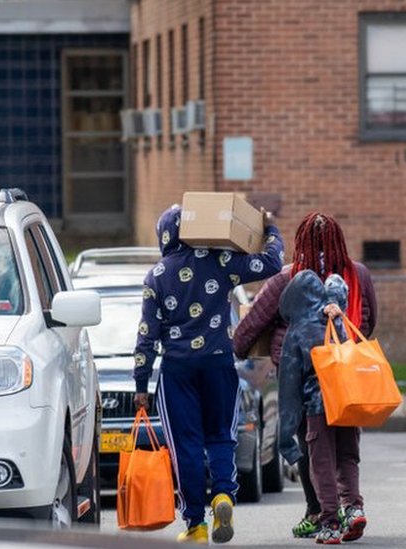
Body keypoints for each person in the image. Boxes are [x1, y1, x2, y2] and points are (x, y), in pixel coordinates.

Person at [133, 204, 284, 544]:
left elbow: (146, 336)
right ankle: (223, 496)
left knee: (185, 444)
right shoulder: (221, 261)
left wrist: (141, 383)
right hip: (218, 363)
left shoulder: (156, 276)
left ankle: (195, 524)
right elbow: (271, 264)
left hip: (177, 370)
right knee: (220, 435)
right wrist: (270, 230)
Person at [233, 212, 377, 540]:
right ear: (340, 240)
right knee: (346, 446)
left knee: (313, 447)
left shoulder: (289, 279)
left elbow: (251, 325)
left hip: (302, 378)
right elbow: (368, 320)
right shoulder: (358, 275)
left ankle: (322, 514)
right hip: (347, 374)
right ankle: (352, 507)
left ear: (300, 242)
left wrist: (239, 350)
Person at [278, 270, 359, 544]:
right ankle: (354, 507)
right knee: (347, 457)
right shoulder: (338, 319)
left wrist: (285, 438)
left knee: (321, 464)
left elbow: (289, 389)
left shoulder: (297, 331)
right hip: (347, 402)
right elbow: (338, 283)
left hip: (318, 407)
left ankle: (330, 523)